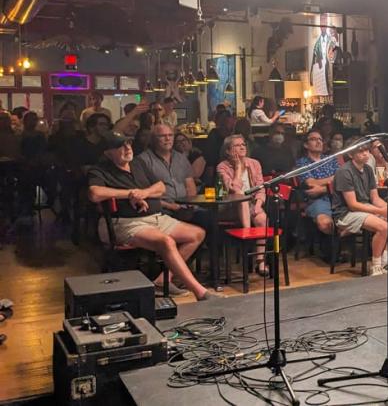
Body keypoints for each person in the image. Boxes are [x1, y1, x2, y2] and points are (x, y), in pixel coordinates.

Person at [88, 132, 223, 301]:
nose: (127, 148)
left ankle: (162, 280)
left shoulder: (137, 164)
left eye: (128, 143)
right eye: (121, 146)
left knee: (197, 234)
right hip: (125, 223)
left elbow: (160, 187)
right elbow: (95, 193)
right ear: (108, 152)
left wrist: (143, 193)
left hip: (156, 218)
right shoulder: (100, 170)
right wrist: (130, 194)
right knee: (166, 241)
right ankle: (201, 292)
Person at [330, 137, 388, 276]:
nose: (365, 154)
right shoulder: (344, 171)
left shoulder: (368, 169)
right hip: (346, 213)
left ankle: (386, 260)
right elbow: (353, 204)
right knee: (384, 227)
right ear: (351, 154)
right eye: (360, 151)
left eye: (367, 150)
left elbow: (375, 198)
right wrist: (381, 211)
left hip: (366, 207)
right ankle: (376, 265)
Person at [132, 125, 212, 253]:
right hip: (162, 210)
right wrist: (172, 207)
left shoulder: (180, 158)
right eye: (162, 136)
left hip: (186, 206)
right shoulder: (142, 160)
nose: (167, 139)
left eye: (170, 135)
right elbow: (145, 194)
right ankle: (172, 265)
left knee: (209, 219)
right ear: (153, 139)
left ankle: (200, 264)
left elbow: (189, 183)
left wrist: (191, 205)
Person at [217, 134, 269, 275]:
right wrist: (239, 167)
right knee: (241, 196)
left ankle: (260, 261)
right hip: (230, 207)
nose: (242, 147)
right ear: (228, 151)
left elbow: (260, 188)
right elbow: (233, 189)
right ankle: (247, 237)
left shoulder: (254, 163)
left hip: (252, 205)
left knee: (261, 218)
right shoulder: (222, 167)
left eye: (243, 144)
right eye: (237, 145)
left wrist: (259, 205)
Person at [297, 129, 339, 236]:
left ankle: (340, 247)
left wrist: (323, 189)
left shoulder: (331, 159)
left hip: (337, 198)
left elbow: (341, 179)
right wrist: (332, 179)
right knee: (325, 223)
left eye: (320, 139)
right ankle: (334, 248)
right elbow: (311, 183)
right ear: (306, 145)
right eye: (314, 139)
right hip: (316, 201)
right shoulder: (302, 162)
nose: (318, 142)